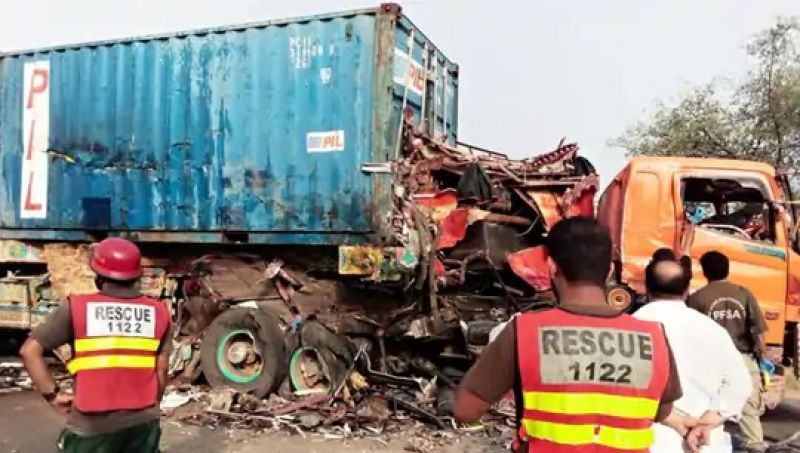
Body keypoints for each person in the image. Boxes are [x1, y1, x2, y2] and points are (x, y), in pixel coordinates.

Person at [454, 217, 687, 452]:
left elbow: (465, 409)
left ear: (552, 267)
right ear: (608, 272)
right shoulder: (654, 337)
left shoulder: (524, 332)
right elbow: (661, 411)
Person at [20, 238, 172, 453]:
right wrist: (149, 408)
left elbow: (29, 351)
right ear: (137, 275)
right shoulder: (159, 312)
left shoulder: (77, 308)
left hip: (92, 424)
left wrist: (53, 395)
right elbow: (161, 369)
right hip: (143, 421)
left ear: (99, 275)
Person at [634, 256, 751, 452]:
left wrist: (676, 421)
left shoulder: (634, 327)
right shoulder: (713, 330)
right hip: (705, 444)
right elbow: (740, 384)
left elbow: (625, 390)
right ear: (687, 289)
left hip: (651, 441)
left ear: (646, 287)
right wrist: (705, 423)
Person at [687, 251, 769, 453]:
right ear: (728, 269)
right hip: (742, 357)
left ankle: (701, 443)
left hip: (709, 360)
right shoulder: (744, 293)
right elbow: (757, 331)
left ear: (705, 271)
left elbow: (692, 334)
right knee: (749, 405)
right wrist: (762, 357)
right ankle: (755, 445)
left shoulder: (697, 298)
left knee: (709, 405)